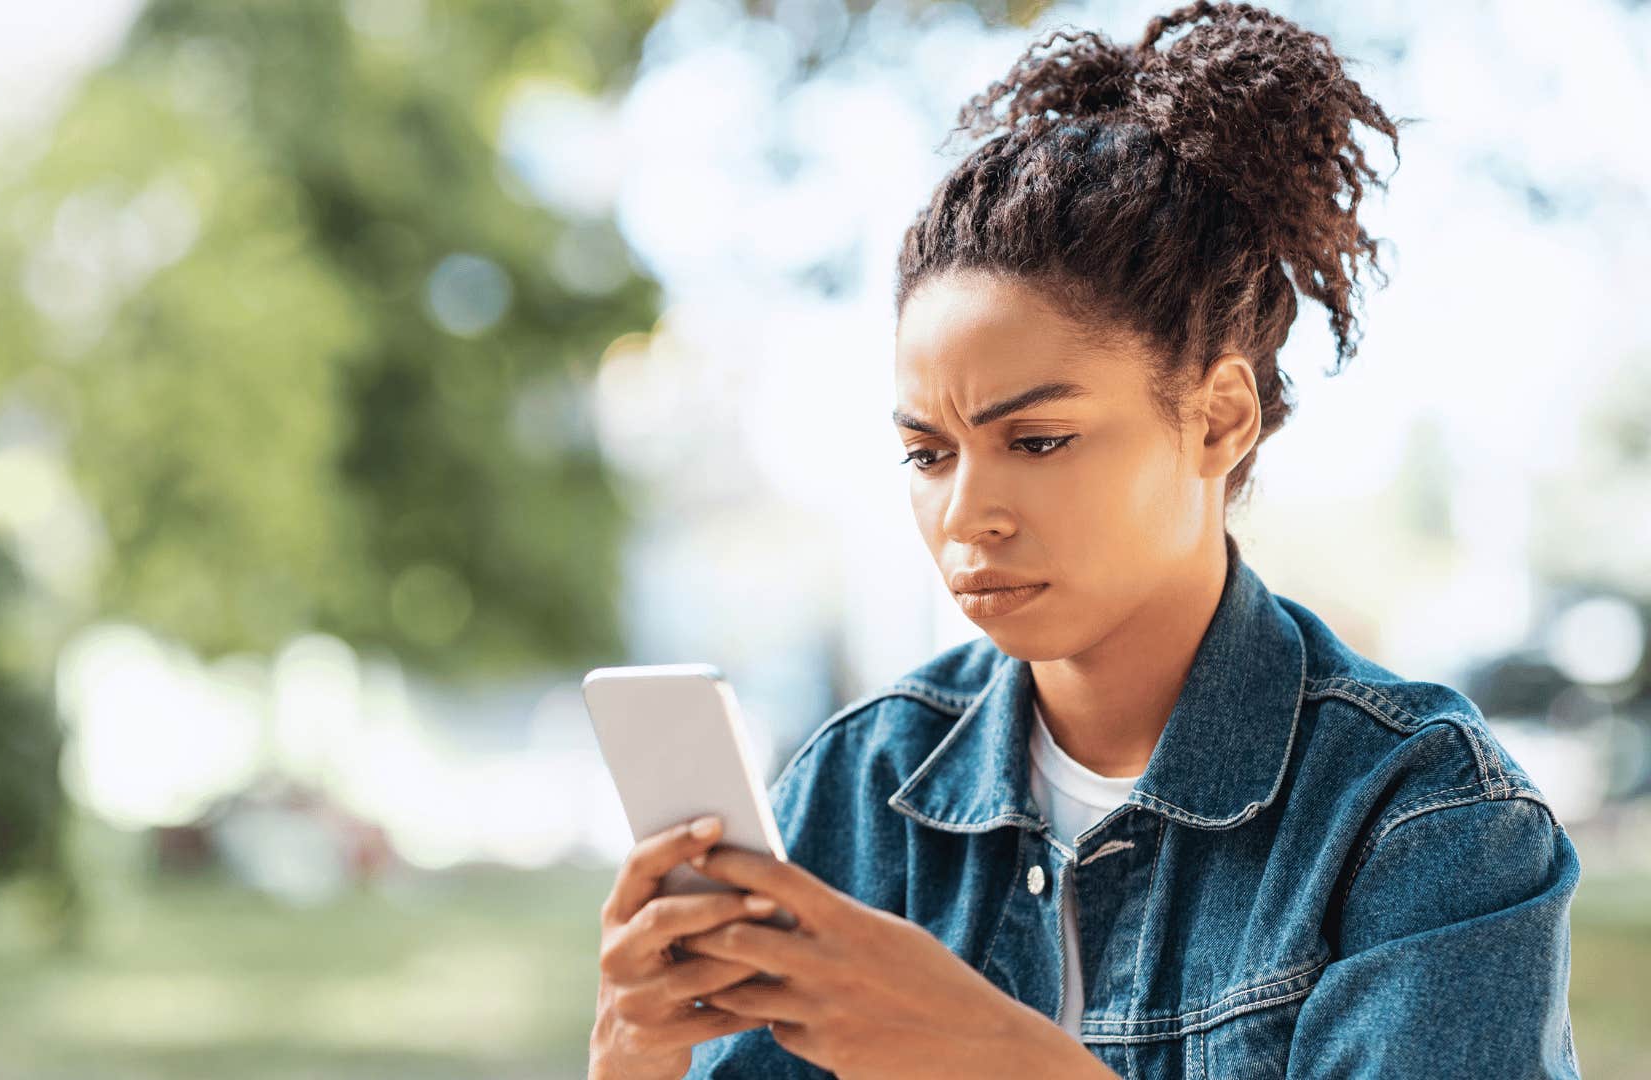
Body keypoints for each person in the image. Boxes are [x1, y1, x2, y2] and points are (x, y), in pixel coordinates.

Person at [588, 2, 1582, 1077]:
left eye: (1041, 439)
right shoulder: (855, 792)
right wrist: (633, 1064)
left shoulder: (1426, 821)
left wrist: (992, 1056)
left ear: (1218, 420)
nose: (969, 513)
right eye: (929, 454)